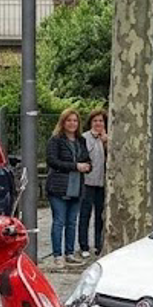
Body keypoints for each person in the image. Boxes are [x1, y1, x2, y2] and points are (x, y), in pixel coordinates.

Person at [46, 109, 91, 267]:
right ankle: (58, 255)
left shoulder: (81, 141)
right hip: (59, 187)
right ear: (63, 122)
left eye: (75, 121)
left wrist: (87, 166)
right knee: (59, 221)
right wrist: (74, 166)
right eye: (69, 120)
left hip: (77, 186)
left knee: (72, 221)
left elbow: (87, 159)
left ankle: (70, 253)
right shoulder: (55, 140)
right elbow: (52, 161)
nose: (72, 123)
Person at [78, 110, 107, 259]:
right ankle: (83, 245)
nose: (98, 124)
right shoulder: (84, 138)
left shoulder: (107, 139)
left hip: (102, 183)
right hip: (87, 182)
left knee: (100, 216)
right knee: (85, 215)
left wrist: (106, 142)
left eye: (101, 121)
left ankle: (99, 244)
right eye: (95, 121)